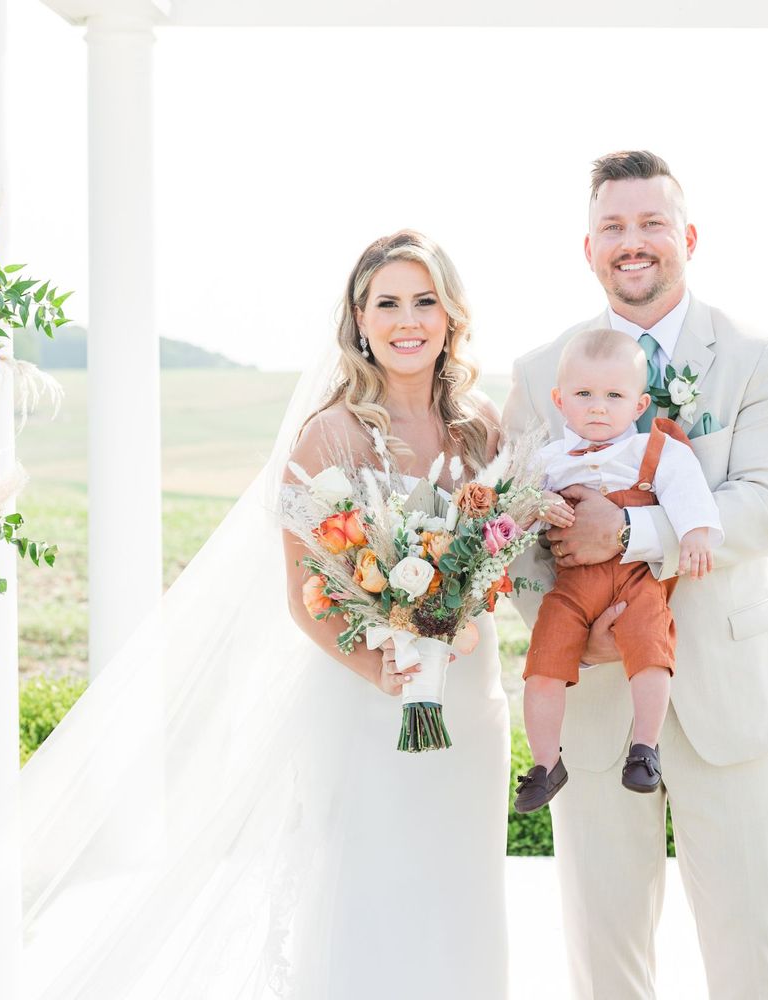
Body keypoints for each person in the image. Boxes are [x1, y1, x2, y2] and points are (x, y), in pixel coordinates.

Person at [503, 151, 768, 1000]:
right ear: (589, 248)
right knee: (605, 954)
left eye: (651, 223)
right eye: (613, 226)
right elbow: (514, 531)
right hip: (597, 695)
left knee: (750, 949)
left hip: (728, 690)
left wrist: (631, 530)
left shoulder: (762, 356)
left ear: (689, 237)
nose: (631, 241)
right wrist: (575, 635)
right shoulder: (538, 374)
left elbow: (767, 505)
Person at [279, 230, 510, 999]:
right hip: (373, 699)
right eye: (388, 304)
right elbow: (303, 593)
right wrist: (375, 669)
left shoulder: (481, 426)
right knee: (377, 891)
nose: (407, 320)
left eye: (424, 301)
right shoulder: (329, 433)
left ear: (450, 317)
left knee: (464, 889)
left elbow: (506, 555)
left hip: (471, 695)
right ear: (360, 318)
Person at [514, 328, 721, 814]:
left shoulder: (655, 450)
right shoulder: (546, 460)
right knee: (544, 662)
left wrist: (695, 532)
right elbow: (512, 515)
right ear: (560, 400)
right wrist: (537, 503)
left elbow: (688, 491)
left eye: (614, 396)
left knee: (650, 648)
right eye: (584, 395)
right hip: (574, 583)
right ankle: (545, 763)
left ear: (639, 404)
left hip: (637, 576)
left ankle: (644, 748)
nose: (598, 408)